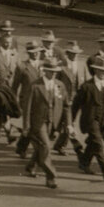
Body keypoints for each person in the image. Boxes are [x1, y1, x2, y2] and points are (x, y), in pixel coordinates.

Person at [24, 59, 71, 188]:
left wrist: (69, 124)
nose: (54, 74)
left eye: (56, 72)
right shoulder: (35, 86)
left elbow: (66, 106)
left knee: (41, 147)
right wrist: (26, 126)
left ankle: (31, 166)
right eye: (51, 71)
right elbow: (27, 108)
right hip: (38, 123)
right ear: (45, 71)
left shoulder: (60, 85)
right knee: (46, 147)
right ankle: (51, 176)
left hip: (53, 123)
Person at [74, 59, 104, 180]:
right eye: (101, 70)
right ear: (95, 70)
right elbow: (76, 105)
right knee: (98, 144)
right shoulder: (87, 86)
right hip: (91, 120)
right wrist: (70, 122)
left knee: (93, 144)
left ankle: (84, 162)